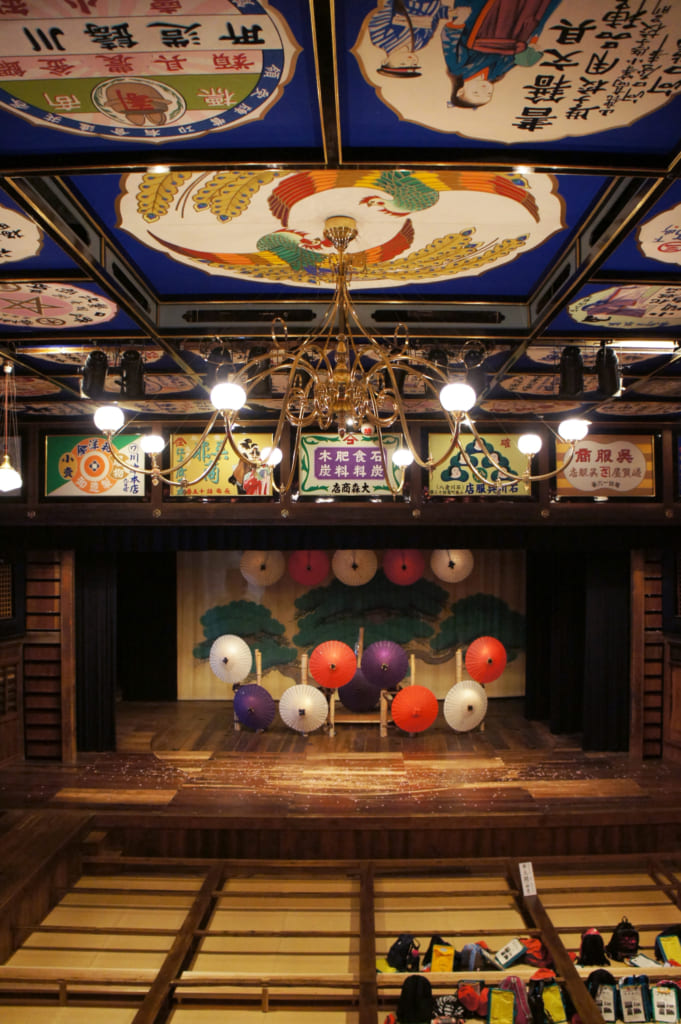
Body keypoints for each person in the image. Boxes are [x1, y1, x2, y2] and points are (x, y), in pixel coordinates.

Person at [441, 0, 562, 108]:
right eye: (488, 93)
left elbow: (450, 44)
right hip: (513, 31)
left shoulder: (458, 68)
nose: (484, 90)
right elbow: (514, 59)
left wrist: (459, 21)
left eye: (476, 93)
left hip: (482, 27)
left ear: (460, 91)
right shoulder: (497, 73)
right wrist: (527, 56)